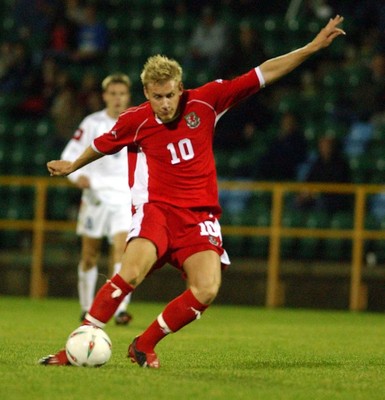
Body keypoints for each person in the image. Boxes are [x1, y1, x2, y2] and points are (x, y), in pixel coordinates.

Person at [40, 15, 345, 368]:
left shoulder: (207, 101)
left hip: (200, 217)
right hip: (157, 211)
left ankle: (144, 343)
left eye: (171, 95)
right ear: (146, 94)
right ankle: (71, 351)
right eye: (158, 97)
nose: (165, 103)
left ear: (181, 88)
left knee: (207, 289)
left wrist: (310, 48)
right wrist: (72, 165)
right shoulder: (135, 120)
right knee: (131, 272)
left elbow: (263, 73)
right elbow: (102, 144)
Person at [60, 73, 134, 325]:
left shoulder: (136, 123)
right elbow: (70, 154)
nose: (117, 98)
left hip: (125, 197)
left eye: (121, 94)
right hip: (95, 196)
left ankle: (120, 308)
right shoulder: (92, 123)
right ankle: (85, 306)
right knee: (90, 254)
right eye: (112, 94)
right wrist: (76, 177)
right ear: (104, 96)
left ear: (128, 96)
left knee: (121, 251)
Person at [295, 135, 352, 214]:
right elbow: (309, 180)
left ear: (332, 147)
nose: (324, 148)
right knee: (296, 201)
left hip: (334, 199)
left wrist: (315, 193)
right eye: (322, 146)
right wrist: (305, 193)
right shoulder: (317, 163)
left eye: (327, 146)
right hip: (315, 196)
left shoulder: (340, 164)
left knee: (320, 203)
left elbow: (335, 185)